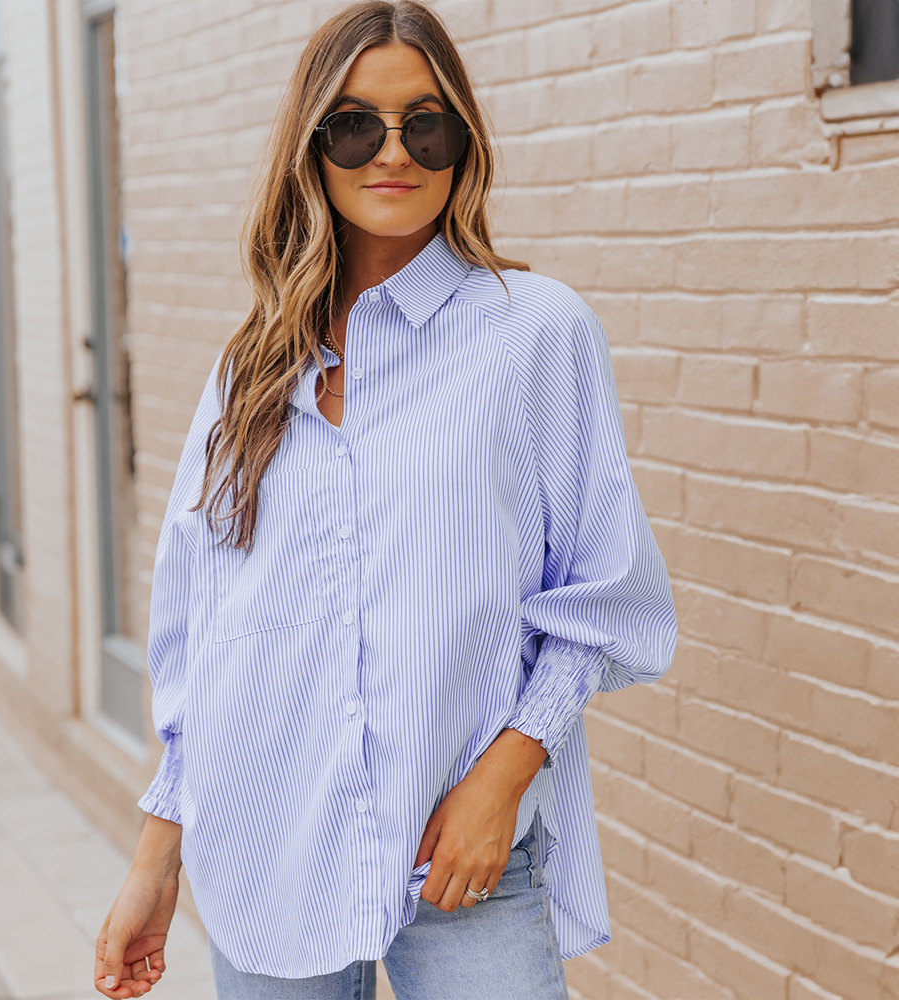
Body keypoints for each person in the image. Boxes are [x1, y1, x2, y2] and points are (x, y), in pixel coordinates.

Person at [95, 2, 677, 998]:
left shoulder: (534, 333)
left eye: (426, 123)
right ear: (312, 149)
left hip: (461, 854)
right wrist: (157, 854)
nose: (392, 151)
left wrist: (506, 773)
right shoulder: (252, 365)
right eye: (356, 124)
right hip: (264, 843)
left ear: (464, 141)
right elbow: (200, 625)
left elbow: (601, 591)